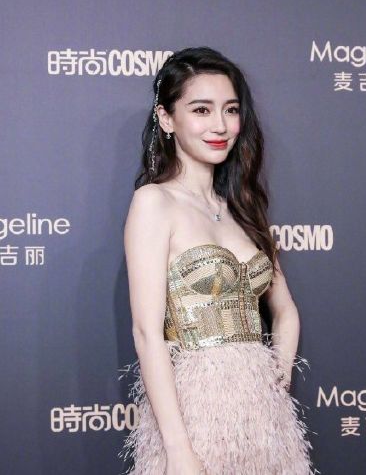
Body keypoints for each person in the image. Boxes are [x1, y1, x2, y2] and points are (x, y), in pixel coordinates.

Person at [118, 46, 318, 475]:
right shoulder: (154, 202)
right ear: (166, 118)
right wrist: (178, 450)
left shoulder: (243, 209)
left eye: (230, 109)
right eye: (201, 110)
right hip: (195, 411)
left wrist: (276, 378)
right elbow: (147, 334)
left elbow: (285, 311)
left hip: (262, 418)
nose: (220, 126)